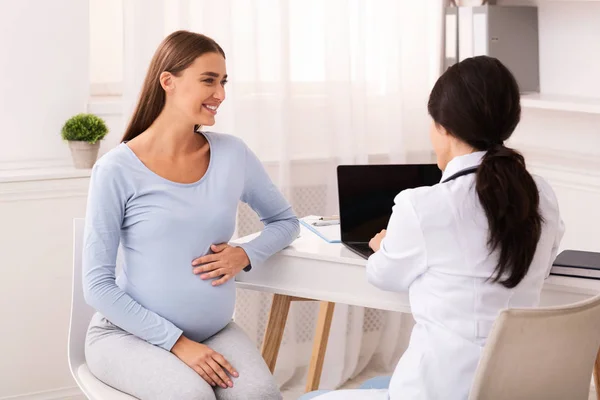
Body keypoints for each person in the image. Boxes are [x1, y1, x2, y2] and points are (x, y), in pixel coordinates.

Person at [304, 56, 565, 400]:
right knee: (375, 385)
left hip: (438, 391)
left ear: (444, 126)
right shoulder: (541, 192)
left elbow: (383, 277)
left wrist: (384, 247)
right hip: (515, 388)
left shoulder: (423, 205)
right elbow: (540, 265)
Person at [82, 30, 299, 400]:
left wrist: (245, 254)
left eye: (223, 82)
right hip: (126, 336)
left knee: (260, 395)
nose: (221, 94)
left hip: (214, 331)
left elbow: (285, 222)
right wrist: (178, 343)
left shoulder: (233, 154)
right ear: (168, 81)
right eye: (209, 81)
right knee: (192, 395)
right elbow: (97, 286)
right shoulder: (116, 169)